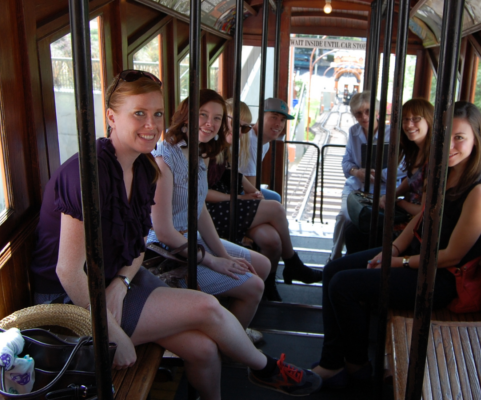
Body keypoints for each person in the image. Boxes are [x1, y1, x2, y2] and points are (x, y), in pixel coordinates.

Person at [29, 71, 321, 399]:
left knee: (203, 349)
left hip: (115, 281)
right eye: (138, 113)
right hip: (70, 302)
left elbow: (138, 243)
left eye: (156, 114)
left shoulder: (142, 168)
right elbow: (67, 271)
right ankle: (266, 369)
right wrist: (113, 334)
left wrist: (121, 282)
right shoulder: (90, 172)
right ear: (111, 116)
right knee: (207, 307)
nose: (151, 124)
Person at [312, 101, 481, 389]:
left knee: (344, 285)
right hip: (418, 257)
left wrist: (398, 262)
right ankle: (332, 361)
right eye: (444, 136)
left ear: (477, 139)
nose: (449, 145)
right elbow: (422, 217)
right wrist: (394, 250)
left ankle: (355, 365)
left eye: (459, 138)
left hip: (442, 279)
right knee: (332, 271)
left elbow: (452, 256)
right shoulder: (446, 172)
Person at [147, 90, 269, 343]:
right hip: (166, 250)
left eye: (216, 118)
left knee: (263, 266)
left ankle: (228, 328)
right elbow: (163, 232)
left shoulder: (197, 154)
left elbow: (199, 209)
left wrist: (224, 255)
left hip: (192, 237)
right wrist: (214, 262)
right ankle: (230, 342)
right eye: (202, 115)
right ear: (185, 116)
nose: (209, 124)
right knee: (255, 287)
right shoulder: (164, 158)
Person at [206, 99, 321, 302]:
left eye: (244, 127)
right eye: (273, 118)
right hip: (213, 209)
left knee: (272, 240)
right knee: (275, 206)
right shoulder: (211, 148)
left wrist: (252, 194)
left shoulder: (230, 144)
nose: (240, 130)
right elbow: (203, 193)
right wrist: (242, 197)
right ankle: (293, 263)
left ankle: (266, 286)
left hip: (227, 202)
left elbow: (233, 176)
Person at [343, 98, 434, 255]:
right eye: (406, 119)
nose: (409, 124)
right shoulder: (415, 151)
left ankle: (360, 269)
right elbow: (410, 179)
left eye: (416, 119)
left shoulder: (432, 160)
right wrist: (394, 195)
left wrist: (396, 201)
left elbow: (423, 210)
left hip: (414, 222)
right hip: (398, 204)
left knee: (356, 232)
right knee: (350, 225)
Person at [328, 91, 403, 261]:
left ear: (377, 111)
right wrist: (357, 172)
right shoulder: (353, 132)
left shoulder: (392, 134)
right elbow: (346, 162)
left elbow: (403, 166)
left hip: (383, 188)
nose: (364, 117)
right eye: (359, 113)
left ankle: (359, 255)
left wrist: (379, 174)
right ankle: (335, 256)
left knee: (369, 219)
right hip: (357, 186)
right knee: (344, 216)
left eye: (368, 111)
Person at [239, 97, 292, 202]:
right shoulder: (251, 143)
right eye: (274, 117)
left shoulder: (265, 143)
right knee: (274, 201)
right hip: (233, 190)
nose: (279, 124)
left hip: (242, 186)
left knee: (275, 197)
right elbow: (250, 190)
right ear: (260, 116)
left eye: (282, 120)